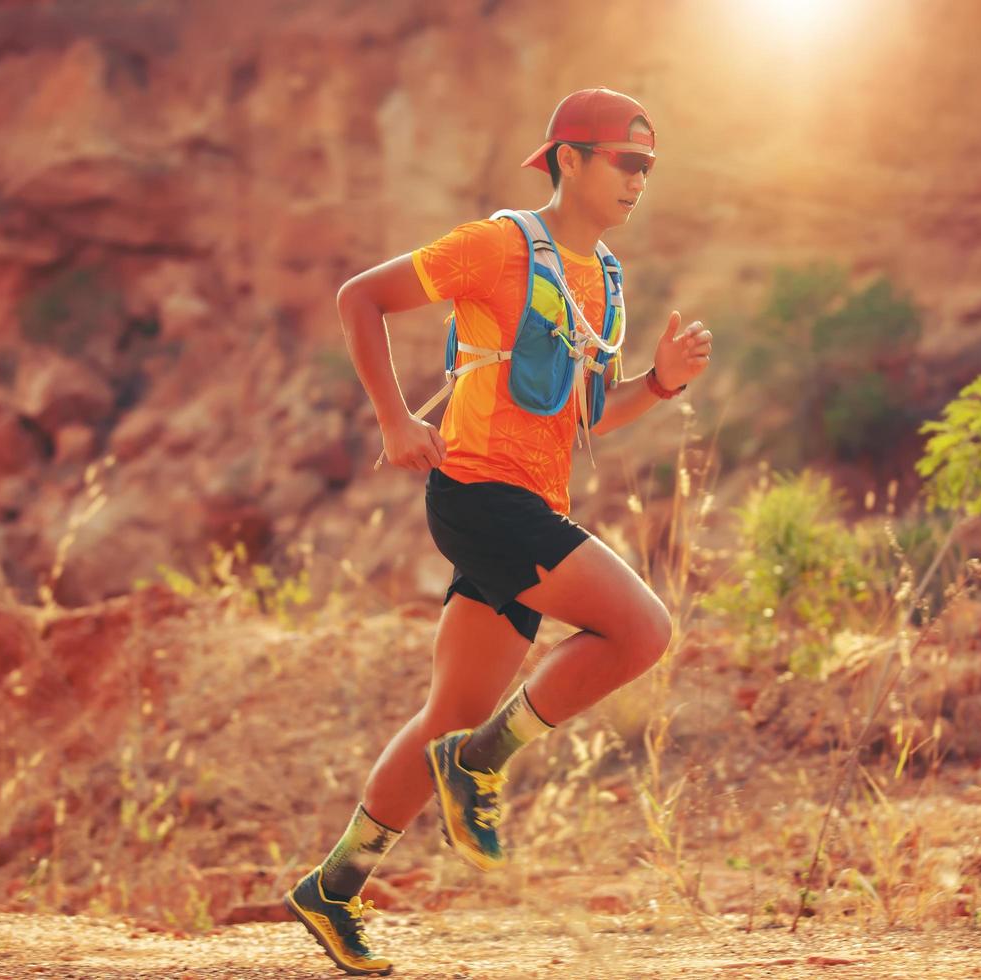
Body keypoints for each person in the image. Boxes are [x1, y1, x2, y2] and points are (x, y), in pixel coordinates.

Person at [284, 87, 713, 977]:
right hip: (480, 495)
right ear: (569, 160)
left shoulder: (606, 281)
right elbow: (360, 298)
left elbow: (589, 408)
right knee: (641, 630)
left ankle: (335, 885)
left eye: (649, 167)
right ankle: (477, 767)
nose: (639, 180)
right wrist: (397, 421)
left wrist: (661, 384)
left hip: (530, 503)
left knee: (452, 708)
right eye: (625, 162)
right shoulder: (499, 244)